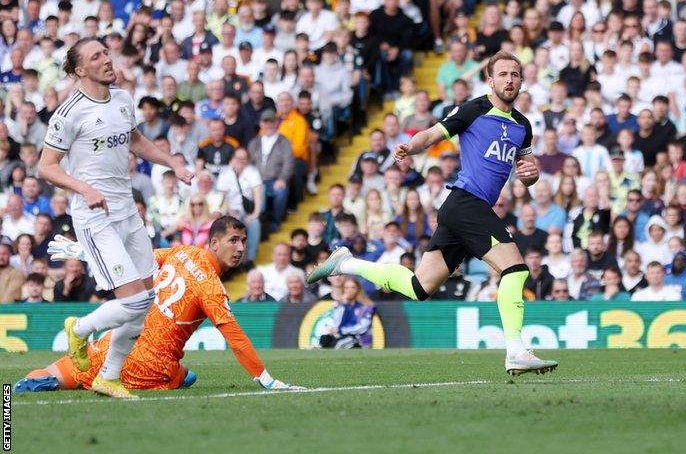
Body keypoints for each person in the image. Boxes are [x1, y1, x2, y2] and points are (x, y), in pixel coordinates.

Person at [307, 52, 557, 376]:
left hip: (462, 209)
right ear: (491, 80)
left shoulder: (523, 126)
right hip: (467, 201)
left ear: (521, 81)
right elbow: (432, 134)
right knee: (516, 270)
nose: (510, 80)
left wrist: (531, 174)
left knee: (419, 287)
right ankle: (516, 351)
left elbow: (528, 172)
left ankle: (345, 262)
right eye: (504, 74)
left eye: (515, 74)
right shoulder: (474, 109)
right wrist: (410, 147)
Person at [39, 37, 193, 399]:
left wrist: (171, 161)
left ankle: (109, 376)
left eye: (107, 52)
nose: (108, 59)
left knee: (147, 301)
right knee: (135, 301)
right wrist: (84, 189)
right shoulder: (69, 113)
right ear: (80, 70)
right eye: (97, 56)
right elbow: (46, 166)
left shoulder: (123, 99)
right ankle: (79, 328)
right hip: (95, 217)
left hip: (127, 213)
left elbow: (135, 140)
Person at [15, 216, 300, 393]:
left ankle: (25, 388)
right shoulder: (212, 286)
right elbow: (235, 338)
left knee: (54, 372)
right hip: (148, 367)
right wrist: (266, 379)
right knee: (187, 376)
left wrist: (84, 252)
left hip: (112, 345)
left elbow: (134, 260)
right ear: (214, 242)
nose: (240, 248)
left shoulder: (181, 252)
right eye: (233, 240)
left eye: (244, 241)